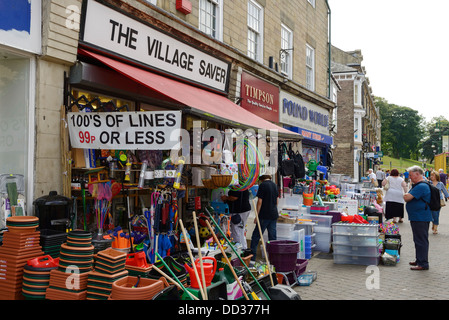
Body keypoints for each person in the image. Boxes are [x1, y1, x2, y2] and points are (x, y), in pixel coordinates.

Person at [403, 166, 432, 271]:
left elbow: (407, 197)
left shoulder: (421, 186)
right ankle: (419, 259)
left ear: (417, 174)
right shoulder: (417, 185)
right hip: (417, 216)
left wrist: (406, 195)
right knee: (418, 239)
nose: (409, 177)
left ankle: (423, 263)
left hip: (421, 217)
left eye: (411, 175)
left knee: (421, 240)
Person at [250, 175, 279, 262]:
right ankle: (273, 259)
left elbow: (259, 201)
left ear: (261, 180)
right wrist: (273, 209)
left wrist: (257, 216)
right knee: (272, 238)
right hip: (273, 215)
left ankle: (252, 259)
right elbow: (277, 200)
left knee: (255, 236)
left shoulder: (262, 185)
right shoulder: (274, 185)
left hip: (264, 215)